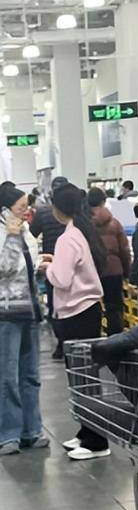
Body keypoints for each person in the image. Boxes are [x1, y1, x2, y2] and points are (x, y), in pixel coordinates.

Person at [41, 183, 111, 461]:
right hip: (86, 312)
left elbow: (61, 279)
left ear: (57, 208)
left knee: (84, 378)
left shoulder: (67, 238)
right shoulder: (80, 232)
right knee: (82, 376)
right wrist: (56, 262)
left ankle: (97, 441)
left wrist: (48, 267)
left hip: (77, 314)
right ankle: (86, 431)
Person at [0, 186, 49, 456]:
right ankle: (9, 435)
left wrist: (41, 263)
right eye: (20, 207)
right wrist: (10, 236)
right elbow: (4, 268)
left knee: (31, 375)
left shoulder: (26, 230)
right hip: (6, 313)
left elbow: (26, 264)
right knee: (7, 376)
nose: (26, 211)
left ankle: (32, 429)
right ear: (5, 210)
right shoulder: (6, 233)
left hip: (30, 309)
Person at [30, 176, 68, 359]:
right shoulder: (76, 214)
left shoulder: (43, 212)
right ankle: (74, 344)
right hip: (73, 266)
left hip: (51, 265)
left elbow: (31, 234)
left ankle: (61, 343)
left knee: (55, 306)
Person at [88, 188, 131, 335]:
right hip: (114, 270)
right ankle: (116, 339)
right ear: (104, 201)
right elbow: (124, 250)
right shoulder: (115, 223)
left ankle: (96, 338)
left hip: (93, 271)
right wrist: (126, 271)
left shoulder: (85, 224)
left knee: (93, 307)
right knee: (115, 308)